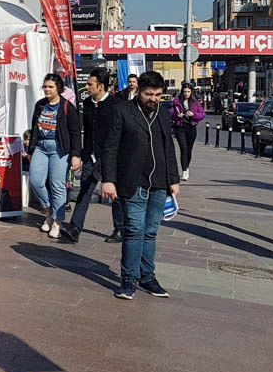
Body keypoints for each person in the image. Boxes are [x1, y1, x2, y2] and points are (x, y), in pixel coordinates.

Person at [101, 70, 180, 300]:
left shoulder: (163, 115)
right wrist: (108, 180)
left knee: (151, 232)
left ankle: (148, 277)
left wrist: (173, 179)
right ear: (139, 91)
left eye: (157, 95)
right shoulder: (122, 112)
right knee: (134, 231)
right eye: (149, 94)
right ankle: (129, 280)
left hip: (159, 183)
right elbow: (110, 148)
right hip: (132, 182)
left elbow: (168, 149)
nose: (153, 99)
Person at [62, 68, 122, 243]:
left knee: (114, 194)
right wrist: (81, 154)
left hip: (110, 158)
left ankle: (120, 229)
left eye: (90, 84)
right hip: (90, 156)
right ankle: (75, 228)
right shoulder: (87, 104)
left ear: (101, 86)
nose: (86, 87)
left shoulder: (116, 105)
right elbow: (86, 132)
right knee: (85, 192)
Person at [28, 73, 81, 239]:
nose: (47, 90)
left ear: (58, 88)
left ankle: (58, 221)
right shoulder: (40, 105)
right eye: (45, 86)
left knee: (57, 184)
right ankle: (48, 211)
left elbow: (75, 132)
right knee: (35, 181)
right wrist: (31, 149)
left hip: (59, 148)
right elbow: (34, 128)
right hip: (41, 146)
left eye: (50, 87)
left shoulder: (66, 107)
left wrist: (75, 155)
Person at [169, 82, 206, 182]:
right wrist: (177, 115)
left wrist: (193, 114)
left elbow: (202, 114)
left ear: (191, 92)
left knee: (189, 150)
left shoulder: (195, 102)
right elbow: (171, 113)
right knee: (183, 149)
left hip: (191, 128)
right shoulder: (177, 102)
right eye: (185, 91)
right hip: (180, 127)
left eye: (188, 92)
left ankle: (187, 167)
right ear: (182, 92)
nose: (186, 93)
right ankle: (184, 170)